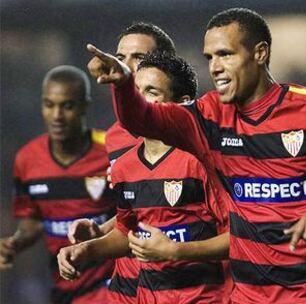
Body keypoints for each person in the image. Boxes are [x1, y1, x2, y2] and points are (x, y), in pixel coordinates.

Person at [86, 7, 306, 304]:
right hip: (252, 296)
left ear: (260, 53)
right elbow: (142, 119)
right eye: (209, 57)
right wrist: (124, 85)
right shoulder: (207, 117)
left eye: (225, 54)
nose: (215, 67)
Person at [58, 52, 231, 304]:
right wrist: (86, 250)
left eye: (151, 91)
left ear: (183, 103)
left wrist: (175, 251)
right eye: (135, 89)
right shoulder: (124, 167)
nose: (137, 99)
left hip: (204, 297)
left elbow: (239, 236)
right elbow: (126, 233)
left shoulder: (202, 162)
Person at [68, 22, 177, 303]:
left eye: (138, 58)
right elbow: (142, 209)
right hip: (128, 287)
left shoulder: (189, 130)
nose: (125, 66)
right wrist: (100, 231)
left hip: (182, 287)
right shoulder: (116, 135)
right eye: (120, 57)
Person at [0, 65, 116, 303]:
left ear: (85, 105)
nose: (57, 116)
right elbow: (33, 219)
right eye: (49, 105)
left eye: (67, 106)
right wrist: (17, 241)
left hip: (111, 285)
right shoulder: (27, 159)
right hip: (64, 286)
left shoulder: (112, 149)